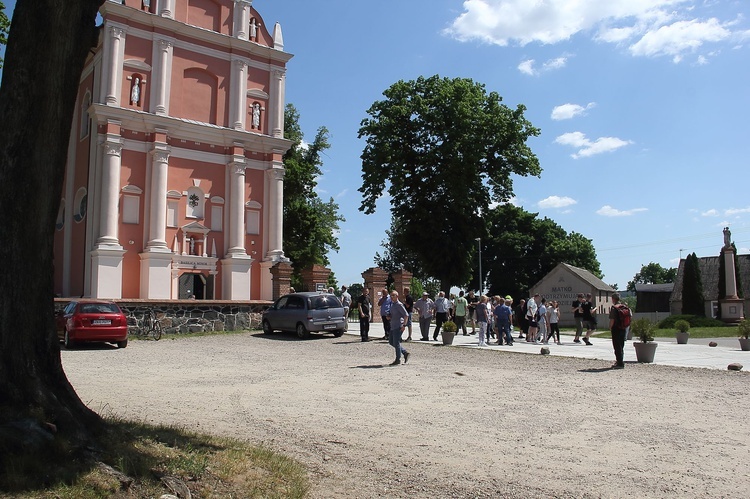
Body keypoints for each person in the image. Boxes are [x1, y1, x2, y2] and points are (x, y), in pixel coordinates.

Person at [386, 291, 410, 365]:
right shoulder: (392, 305)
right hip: (393, 325)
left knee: (396, 342)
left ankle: (398, 359)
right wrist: (389, 316)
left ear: (397, 296)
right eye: (391, 296)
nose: (391, 297)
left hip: (398, 326)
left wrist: (404, 325)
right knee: (391, 342)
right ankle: (405, 352)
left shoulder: (399, 305)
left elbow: (406, 315)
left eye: (393, 295)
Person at [609, 293, 627, 369]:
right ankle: (620, 360)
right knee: (621, 345)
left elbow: (612, 320)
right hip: (623, 327)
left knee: (617, 346)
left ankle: (620, 363)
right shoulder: (624, 307)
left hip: (616, 328)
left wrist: (610, 327)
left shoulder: (614, 308)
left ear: (613, 299)